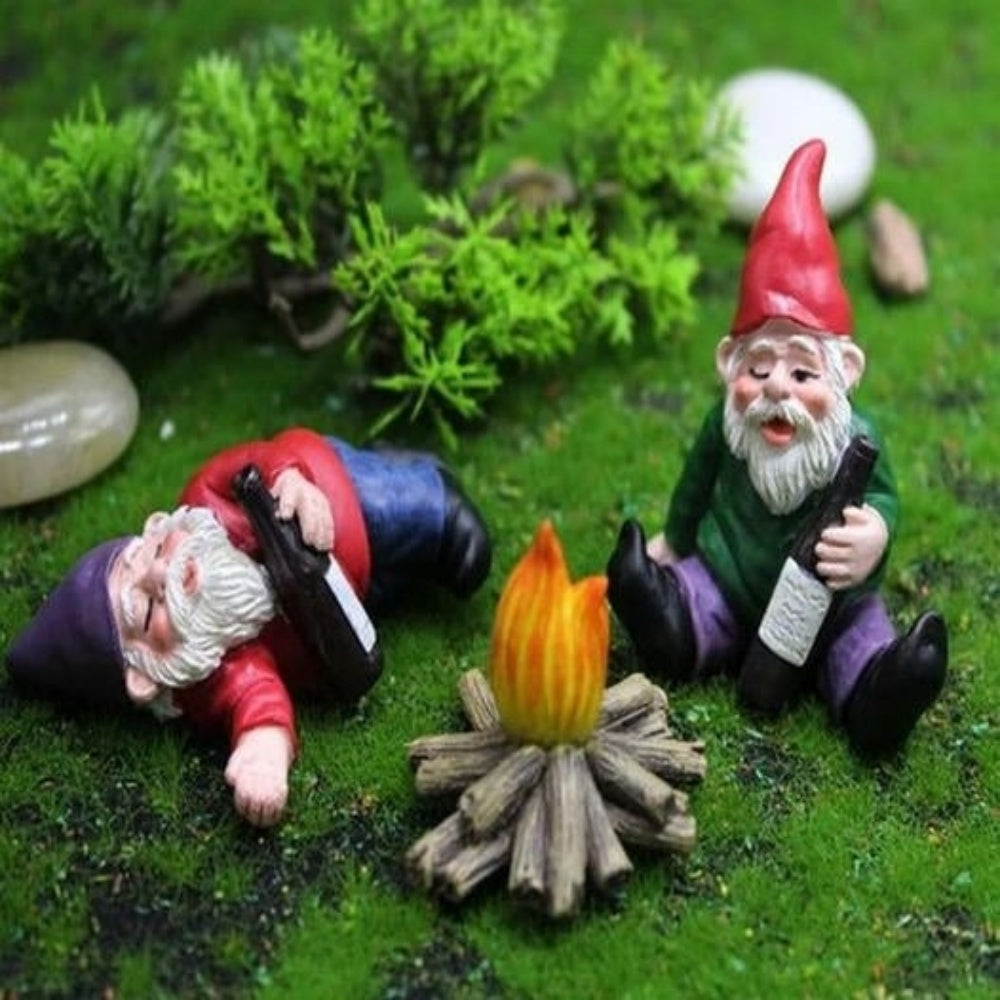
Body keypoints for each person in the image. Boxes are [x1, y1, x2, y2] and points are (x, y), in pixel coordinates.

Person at [606, 139, 947, 759]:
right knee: (695, 601)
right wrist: (675, 542)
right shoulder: (726, 426)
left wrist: (873, 535)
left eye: (803, 373)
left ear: (846, 371)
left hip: (835, 605)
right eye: (759, 369)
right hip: (728, 578)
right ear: (727, 363)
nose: (776, 391)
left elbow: (885, 501)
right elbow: (694, 485)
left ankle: (882, 690)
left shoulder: (859, 441)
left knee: (856, 642)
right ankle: (667, 616)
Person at [7, 428, 492, 827]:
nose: (164, 572)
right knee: (402, 578)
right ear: (144, 677)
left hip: (339, 492)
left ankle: (433, 497)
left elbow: (255, 460)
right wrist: (262, 755)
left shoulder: (205, 501)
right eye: (150, 608)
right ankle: (399, 467)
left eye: (153, 551)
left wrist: (291, 482)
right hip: (354, 594)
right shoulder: (216, 666)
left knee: (394, 506)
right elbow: (256, 698)